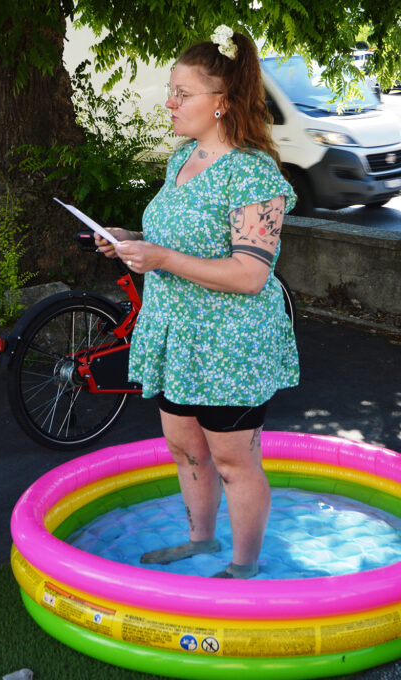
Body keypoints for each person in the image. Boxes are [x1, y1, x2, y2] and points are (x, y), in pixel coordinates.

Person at [94, 26, 298, 579]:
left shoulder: (255, 174)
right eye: (171, 89)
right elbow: (179, 239)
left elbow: (251, 275)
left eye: (183, 93)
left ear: (223, 103)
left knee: (234, 461)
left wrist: (160, 258)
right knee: (186, 448)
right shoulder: (181, 160)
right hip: (178, 336)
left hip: (229, 345)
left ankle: (243, 568)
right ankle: (202, 542)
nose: (170, 102)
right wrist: (126, 239)